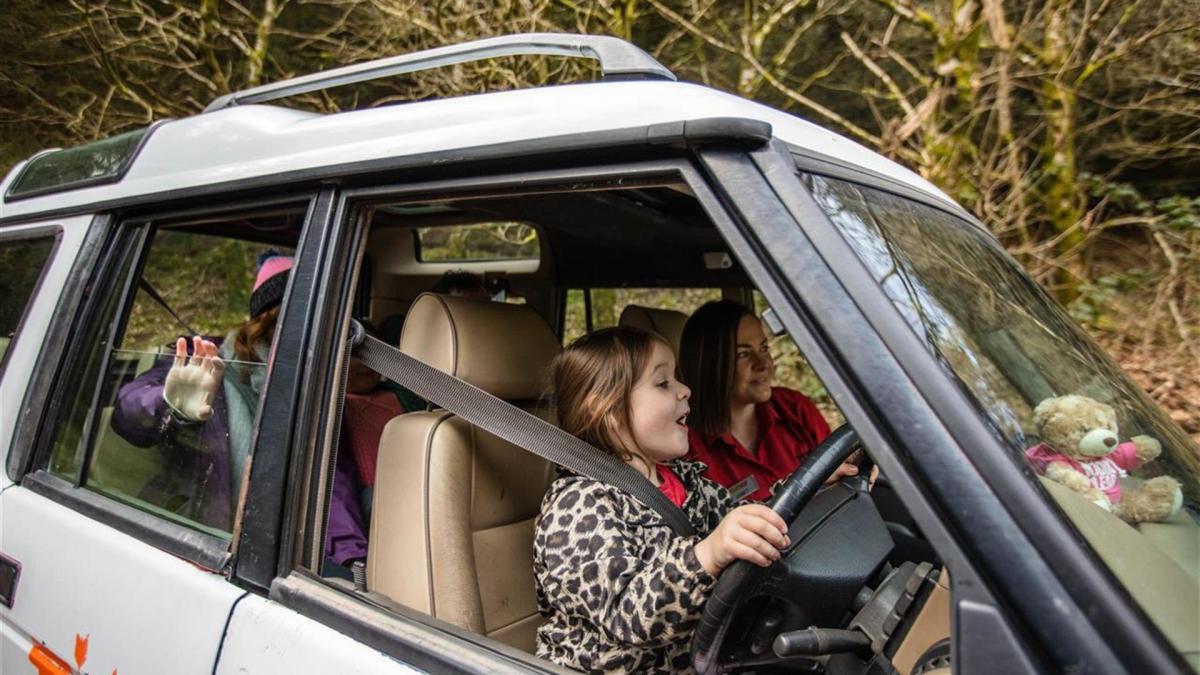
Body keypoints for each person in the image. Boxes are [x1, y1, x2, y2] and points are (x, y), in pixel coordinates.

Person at [534, 326, 790, 673]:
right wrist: (709, 554)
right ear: (608, 410)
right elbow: (629, 617)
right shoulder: (578, 505)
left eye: (677, 379)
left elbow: (746, 520)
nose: (686, 390)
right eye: (663, 383)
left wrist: (806, 490)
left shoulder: (684, 481)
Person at [111, 254, 379, 571]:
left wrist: (351, 559)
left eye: (320, 328)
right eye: (289, 323)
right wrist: (169, 405)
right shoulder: (204, 358)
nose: (304, 339)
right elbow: (128, 410)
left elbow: (331, 485)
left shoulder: (315, 391)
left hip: (289, 555)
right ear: (261, 325)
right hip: (211, 550)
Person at [679, 301, 855, 502]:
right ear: (711, 364)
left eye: (763, 348)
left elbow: (842, 480)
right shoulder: (684, 446)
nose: (763, 363)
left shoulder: (795, 408)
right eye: (743, 354)